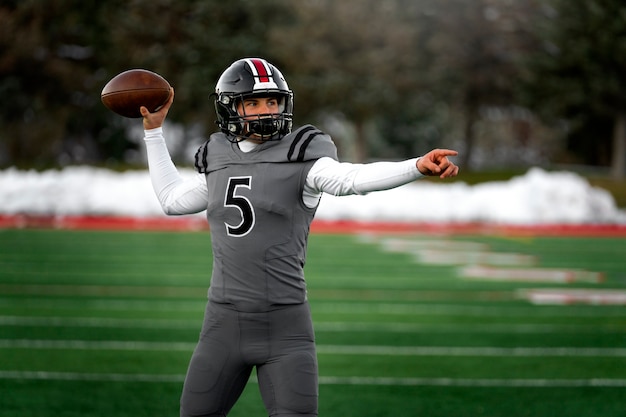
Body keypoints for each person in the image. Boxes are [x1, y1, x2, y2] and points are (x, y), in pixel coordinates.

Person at [140, 57, 459, 417]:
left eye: (273, 101)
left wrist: (415, 166)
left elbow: (351, 179)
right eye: (254, 102)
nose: (267, 110)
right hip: (222, 325)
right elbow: (171, 200)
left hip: (285, 328)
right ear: (231, 106)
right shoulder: (217, 156)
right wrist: (154, 132)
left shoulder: (303, 155)